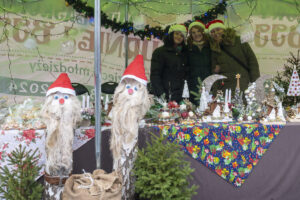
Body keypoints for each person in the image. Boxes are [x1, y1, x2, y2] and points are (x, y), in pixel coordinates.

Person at [207, 19, 260, 95]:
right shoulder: (214, 48)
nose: (216, 33)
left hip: (241, 81)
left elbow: (252, 61)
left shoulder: (239, 41)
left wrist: (255, 82)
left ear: (224, 30)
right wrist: (215, 90)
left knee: (241, 104)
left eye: (218, 29)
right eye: (212, 32)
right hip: (225, 84)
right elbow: (214, 72)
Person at [150, 24, 188, 103]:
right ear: (171, 34)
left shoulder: (185, 53)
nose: (179, 37)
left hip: (181, 96)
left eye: (181, 35)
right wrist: (161, 94)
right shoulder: (160, 52)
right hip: (165, 96)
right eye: (177, 33)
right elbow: (155, 75)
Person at [187, 21, 211, 105]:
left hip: (209, 83)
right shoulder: (187, 48)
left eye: (198, 31)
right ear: (190, 35)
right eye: (193, 32)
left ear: (202, 32)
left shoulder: (210, 46)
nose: (196, 34)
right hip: (193, 85)